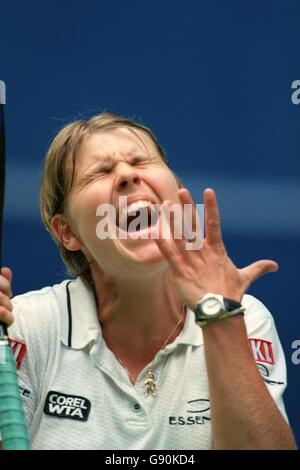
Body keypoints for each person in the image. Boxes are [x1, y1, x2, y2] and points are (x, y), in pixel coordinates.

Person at [0, 113, 296, 450]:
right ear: (67, 232)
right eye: (100, 172)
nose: (127, 174)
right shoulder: (24, 327)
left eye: (141, 161)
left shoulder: (244, 316)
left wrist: (221, 320)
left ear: (177, 196)